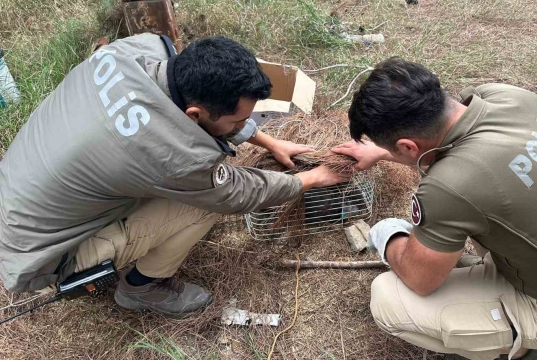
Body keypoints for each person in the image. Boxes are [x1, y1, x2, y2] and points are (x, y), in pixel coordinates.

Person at [0, 34, 347, 318]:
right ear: (194, 115)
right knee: (205, 205)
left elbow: (191, 110)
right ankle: (140, 288)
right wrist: (312, 178)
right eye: (237, 124)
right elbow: (235, 192)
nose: (244, 128)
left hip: (18, 200)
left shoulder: (136, 50)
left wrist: (268, 141)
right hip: (39, 257)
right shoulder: (172, 156)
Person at [332, 57, 537, 360]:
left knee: (387, 298)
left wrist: (388, 236)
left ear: (407, 147)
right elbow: (448, 149)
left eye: (395, 149)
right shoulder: (505, 96)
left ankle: (518, 342)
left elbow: (420, 280)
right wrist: (381, 152)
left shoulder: (451, 186)